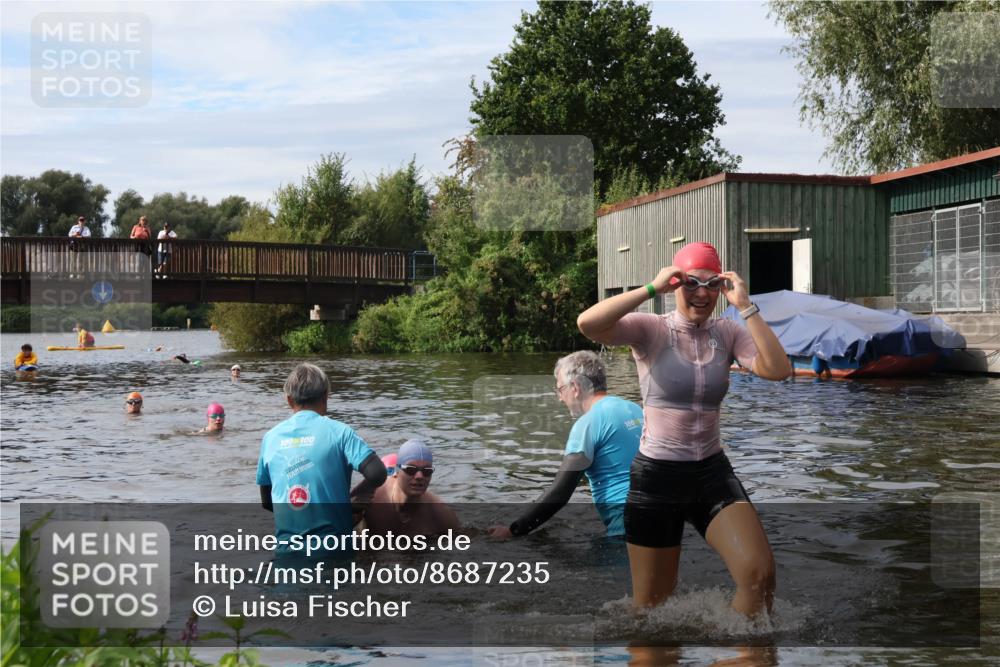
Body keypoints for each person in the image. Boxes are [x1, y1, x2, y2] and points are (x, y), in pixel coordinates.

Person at [576, 241, 792, 617]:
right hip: (656, 478)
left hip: (710, 472)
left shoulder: (727, 332)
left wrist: (745, 307)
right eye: (691, 283)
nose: (702, 293)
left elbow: (778, 370)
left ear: (722, 286)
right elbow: (588, 324)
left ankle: (745, 654)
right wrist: (650, 289)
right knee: (651, 613)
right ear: (676, 284)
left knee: (759, 575)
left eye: (711, 284)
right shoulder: (651, 330)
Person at [488, 351, 642, 540]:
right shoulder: (635, 409)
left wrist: (513, 530)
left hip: (626, 529)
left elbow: (560, 492)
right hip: (664, 517)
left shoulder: (588, 423)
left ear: (576, 386)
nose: (561, 398)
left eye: (560, 389)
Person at [257, 363, 386, 556]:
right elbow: (377, 473)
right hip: (334, 552)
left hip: (287, 554)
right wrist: (354, 500)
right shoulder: (340, 432)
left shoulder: (270, 438)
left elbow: (267, 502)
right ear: (326, 397)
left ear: (289, 400)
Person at [362, 439, 459, 537]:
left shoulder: (441, 514)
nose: (419, 476)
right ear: (397, 472)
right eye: (410, 469)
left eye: (427, 471)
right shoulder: (371, 498)